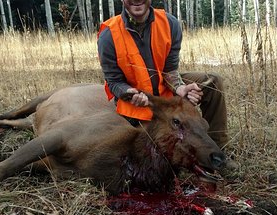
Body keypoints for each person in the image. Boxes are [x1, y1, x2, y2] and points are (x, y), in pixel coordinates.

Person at [97, 0, 232, 156]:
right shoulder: (108, 35)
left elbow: (169, 70)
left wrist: (180, 88)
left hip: (165, 89)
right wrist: (128, 93)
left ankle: (219, 148)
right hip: (137, 103)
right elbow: (114, 82)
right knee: (157, 149)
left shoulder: (169, 24)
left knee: (212, 81)